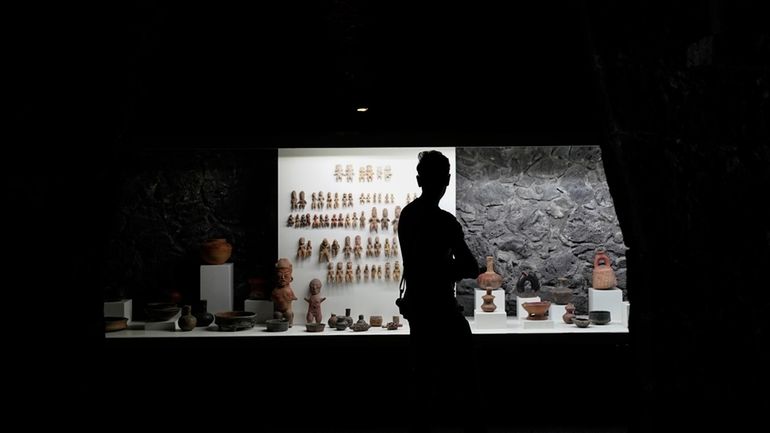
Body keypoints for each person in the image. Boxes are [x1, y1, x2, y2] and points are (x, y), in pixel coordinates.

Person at [397, 150, 484, 433]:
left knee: (421, 374)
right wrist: (448, 268)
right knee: (459, 375)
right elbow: (470, 266)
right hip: (442, 308)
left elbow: (415, 264)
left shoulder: (408, 215)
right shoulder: (445, 222)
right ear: (446, 180)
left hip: (418, 307)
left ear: (420, 179)